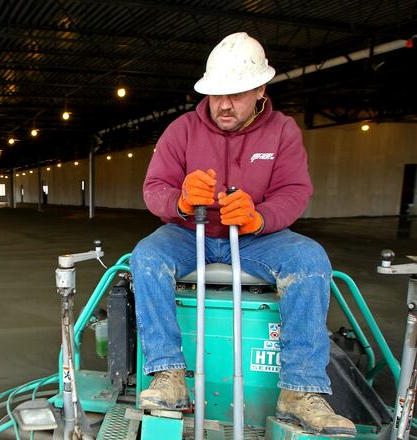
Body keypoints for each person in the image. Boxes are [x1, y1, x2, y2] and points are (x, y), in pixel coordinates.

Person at [130, 32, 355, 437]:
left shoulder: (282, 132)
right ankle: (168, 375)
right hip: (189, 232)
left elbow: (294, 191)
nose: (224, 105)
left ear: (260, 90)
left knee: (309, 260)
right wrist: (180, 202)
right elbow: (155, 187)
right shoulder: (181, 130)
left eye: (235, 94)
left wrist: (260, 218)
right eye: (216, 94)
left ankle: (300, 392)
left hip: (255, 238)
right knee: (146, 256)